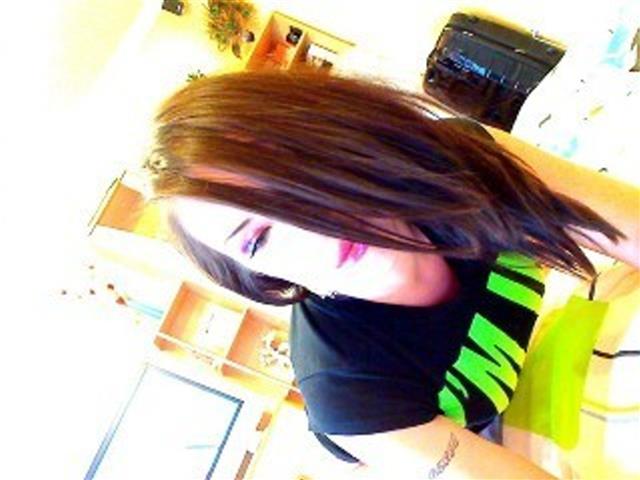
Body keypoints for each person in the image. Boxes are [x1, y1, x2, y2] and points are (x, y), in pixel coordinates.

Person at [145, 70, 640, 479]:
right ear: (259, 275)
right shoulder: (347, 390)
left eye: (292, 177)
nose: (315, 228)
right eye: (258, 240)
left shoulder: (459, 159)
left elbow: (627, 226)